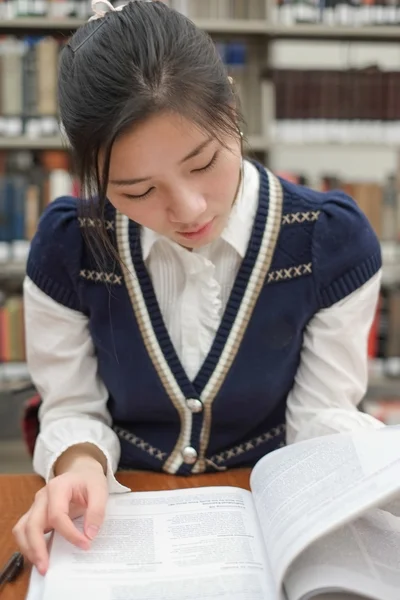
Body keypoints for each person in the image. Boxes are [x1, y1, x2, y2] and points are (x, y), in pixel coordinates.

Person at [13, 0, 384, 577]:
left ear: (232, 110)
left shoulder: (327, 242)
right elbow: (73, 407)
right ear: (90, 174)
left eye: (204, 162)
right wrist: (80, 466)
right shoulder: (69, 247)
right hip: (123, 513)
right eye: (137, 191)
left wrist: (373, 463)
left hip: (272, 518)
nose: (187, 209)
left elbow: (320, 417)